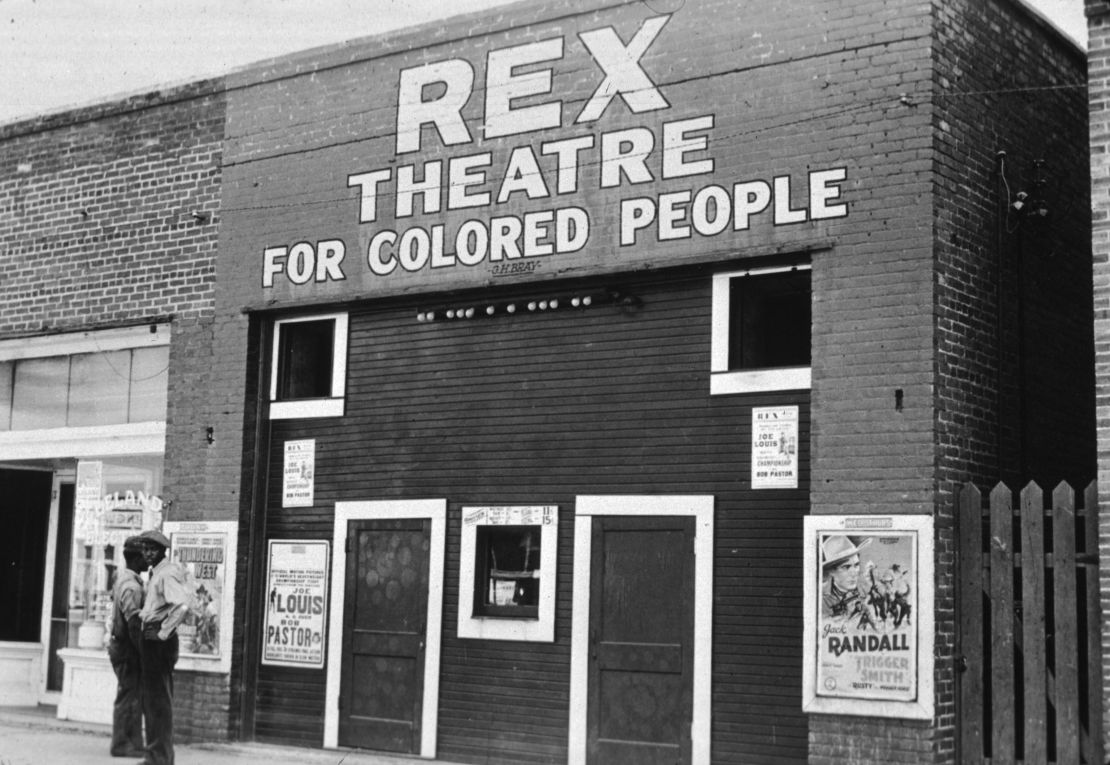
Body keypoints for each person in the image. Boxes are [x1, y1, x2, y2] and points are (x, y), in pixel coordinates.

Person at [137, 529, 191, 765]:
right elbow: (158, 606)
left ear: (162, 551)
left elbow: (181, 606)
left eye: (152, 549)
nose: (147, 553)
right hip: (152, 637)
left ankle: (160, 758)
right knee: (153, 700)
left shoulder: (166, 574)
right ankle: (156, 755)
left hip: (158, 642)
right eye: (145, 549)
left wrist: (162, 632)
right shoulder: (157, 573)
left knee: (158, 701)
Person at [108, 535, 148, 757]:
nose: (147, 560)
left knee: (132, 694)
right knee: (129, 696)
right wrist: (143, 652)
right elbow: (133, 624)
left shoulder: (124, 580)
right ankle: (121, 744)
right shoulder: (132, 587)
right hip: (127, 648)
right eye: (144, 556)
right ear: (135, 559)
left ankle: (132, 742)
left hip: (121, 646)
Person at [820, 535, 875, 628]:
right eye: (846, 567)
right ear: (831, 571)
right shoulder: (820, 597)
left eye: (856, 565)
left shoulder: (863, 588)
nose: (854, 573)